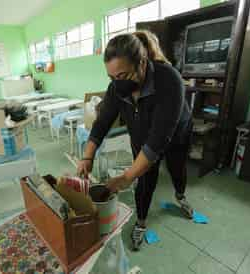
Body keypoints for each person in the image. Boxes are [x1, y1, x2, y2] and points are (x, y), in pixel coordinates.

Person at [77, 31, 194, 251]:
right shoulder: (117, 89)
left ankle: (180, 195)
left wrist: (125, 177)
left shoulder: (168, 80)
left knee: (176, 168)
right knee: (145, 179)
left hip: (176, 133)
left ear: (141, 63)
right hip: (142, 135)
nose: (116, 83)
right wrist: (87, 156)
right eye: (111, 78)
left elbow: (158, 140)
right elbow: (101, 123)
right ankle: (141, 221)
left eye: (122, 75)